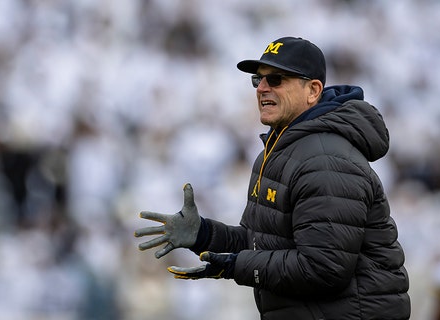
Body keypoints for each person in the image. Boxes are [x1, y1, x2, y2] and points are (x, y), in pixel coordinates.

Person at [134, 36, 410, 319]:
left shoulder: (325, 158)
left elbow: (324, 267)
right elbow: (263, 243)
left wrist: (236, 266)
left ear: (313, 90)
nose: (262, 88)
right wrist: (206, 235)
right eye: (258, 80)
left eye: (276, 79)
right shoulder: (284, 147)